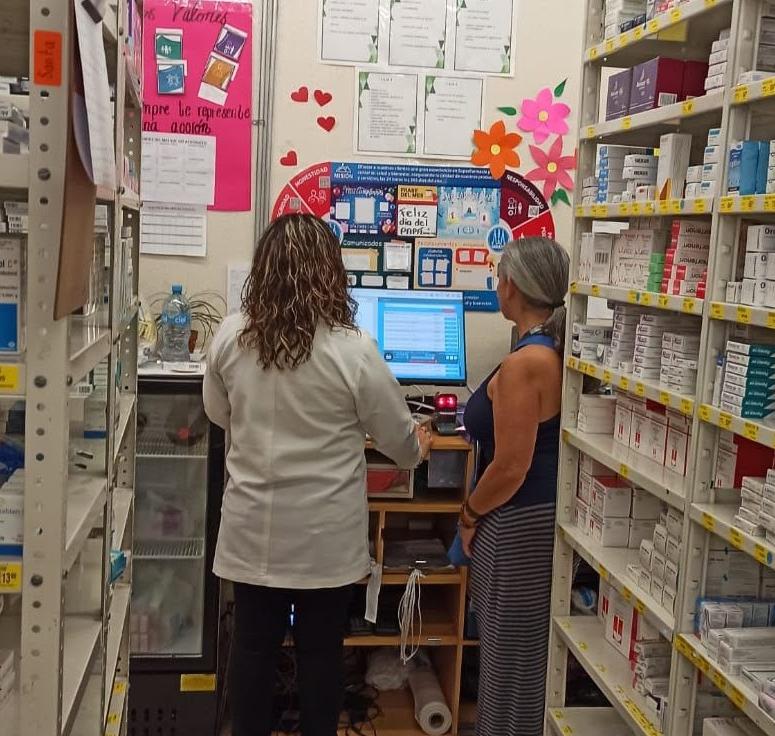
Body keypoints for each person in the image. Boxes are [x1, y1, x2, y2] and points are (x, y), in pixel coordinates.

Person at [203, 213, 433, 736]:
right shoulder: (353, 349)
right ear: (331, 271)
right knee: (322, 652)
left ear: (263, 269)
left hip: (254, 530)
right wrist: (417, 447)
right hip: (324, 538)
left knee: (252, 648)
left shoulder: (231, 336)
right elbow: (398, 443)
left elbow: (219, 414)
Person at [459, 236, 569, 735]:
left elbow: (510, 467)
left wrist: (469, 514)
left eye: (499, 276)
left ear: (514, 287)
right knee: (510, 658)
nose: (495, 284)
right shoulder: (539, 350)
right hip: (526, 518)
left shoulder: (527, 363)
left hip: (520, 523)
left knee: (511, 667)